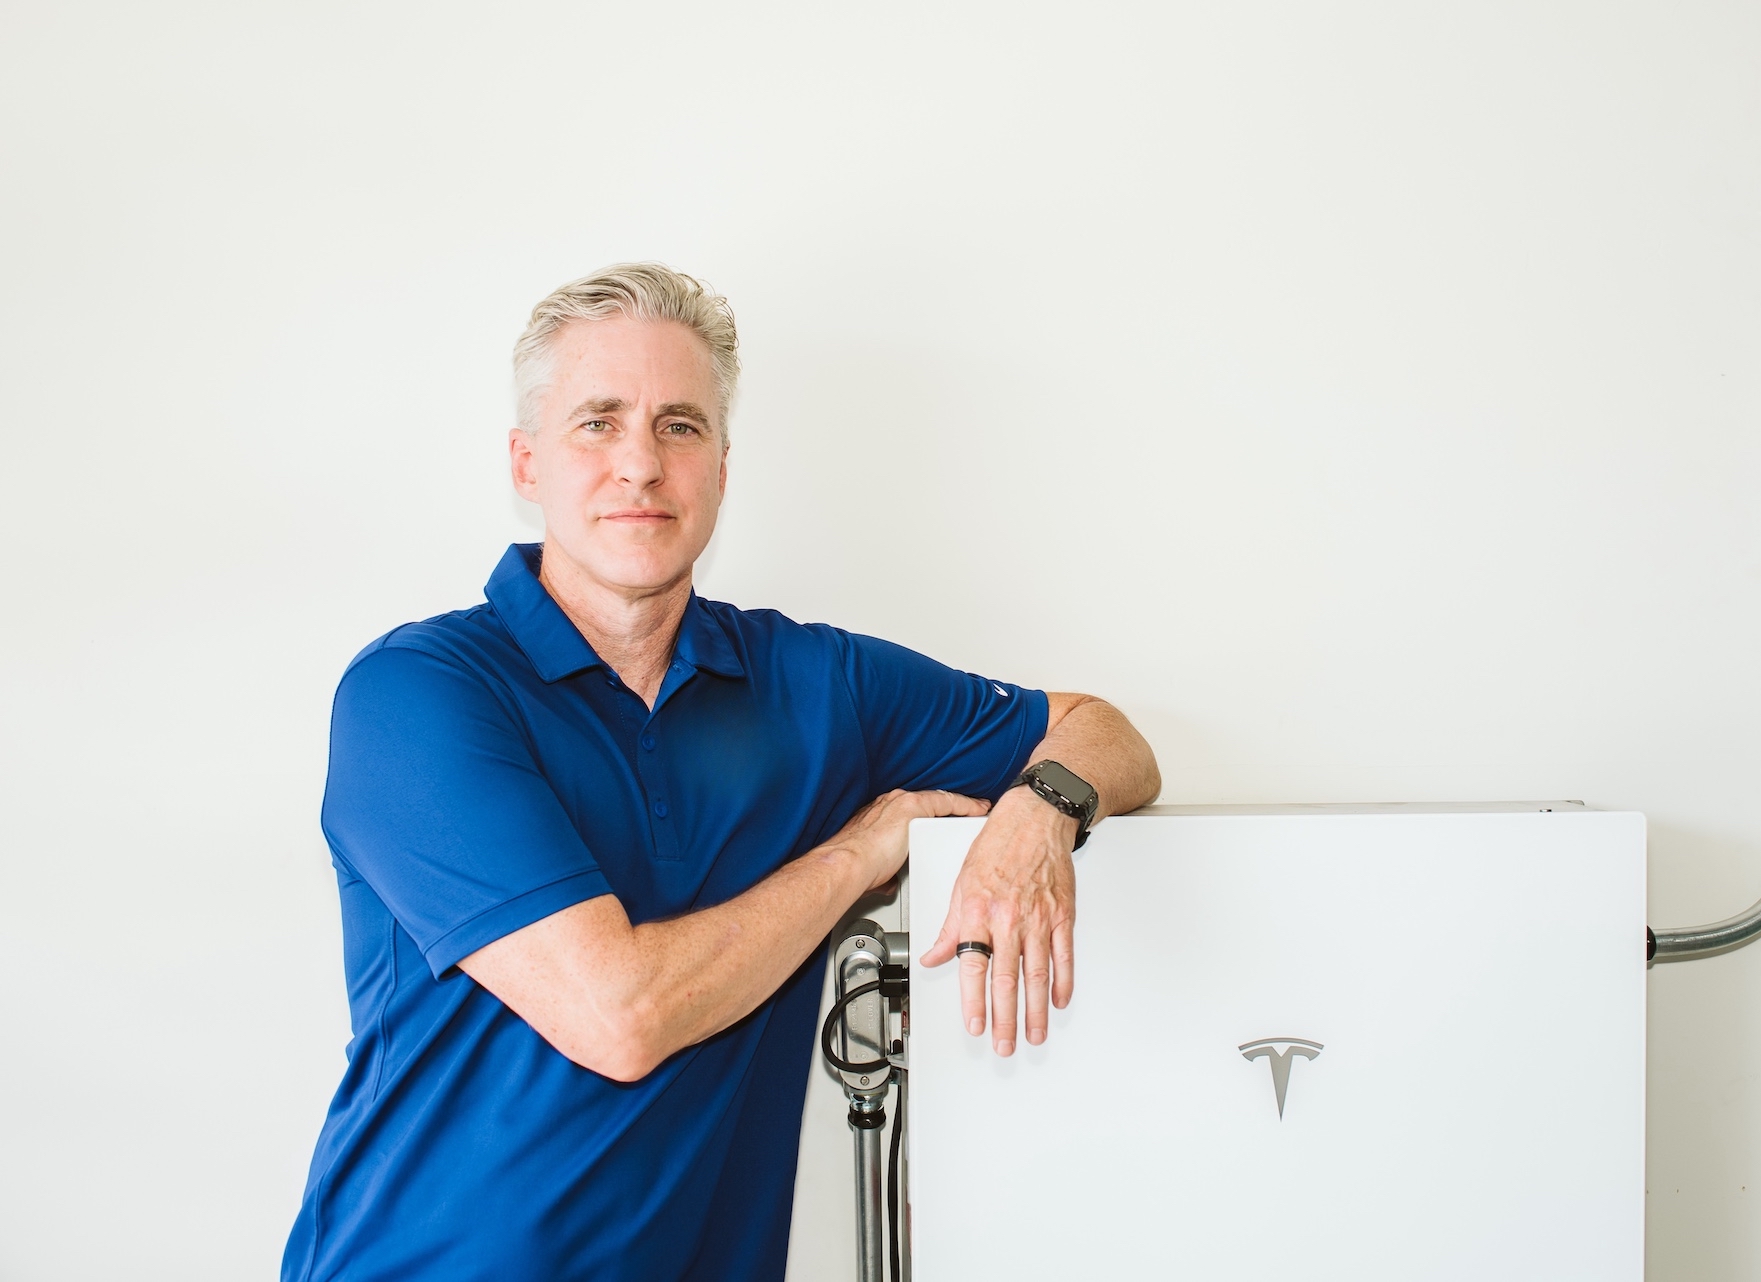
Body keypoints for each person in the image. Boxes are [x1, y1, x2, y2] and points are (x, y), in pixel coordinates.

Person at [282, 264, 1160, 1281]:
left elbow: (1105, 735)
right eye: (598, 423)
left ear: (722, 467)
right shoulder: (417, 695)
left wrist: (1037, 816)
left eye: (680, 426)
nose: (641, 465)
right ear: (526, 462)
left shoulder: (817, 685)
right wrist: (858, 854)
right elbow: (619, 1016)